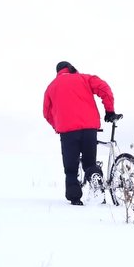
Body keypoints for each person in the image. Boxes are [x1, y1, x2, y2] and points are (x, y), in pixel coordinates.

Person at [43, 61, 121, 205]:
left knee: (71, 168)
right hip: (89, 128)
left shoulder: (51, 87)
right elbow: (104, 89)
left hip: (67, 132)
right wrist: (109, 110)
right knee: (89, 163)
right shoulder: (84, 78)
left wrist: (58, 126)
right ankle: (95, 177)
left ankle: (75, 199)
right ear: (71, 68)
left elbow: (47, 113)